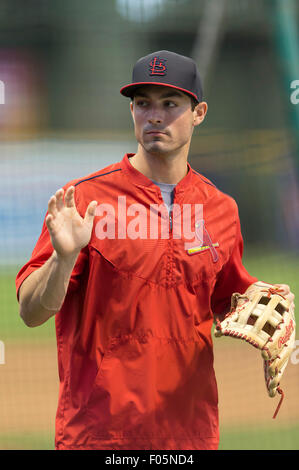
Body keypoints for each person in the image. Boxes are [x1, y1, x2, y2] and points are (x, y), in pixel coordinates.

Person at [16, 50, 294, 450]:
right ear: (132, 111)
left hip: (190, 433)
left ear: (198, 113)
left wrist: (270, 308)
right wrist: (63, 258)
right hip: (99, 434)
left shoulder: (221, 209)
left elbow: (230, 299)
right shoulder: (88, 200)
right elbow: (30, 311)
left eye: (170, 104)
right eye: (143, 103)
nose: (155, 116)